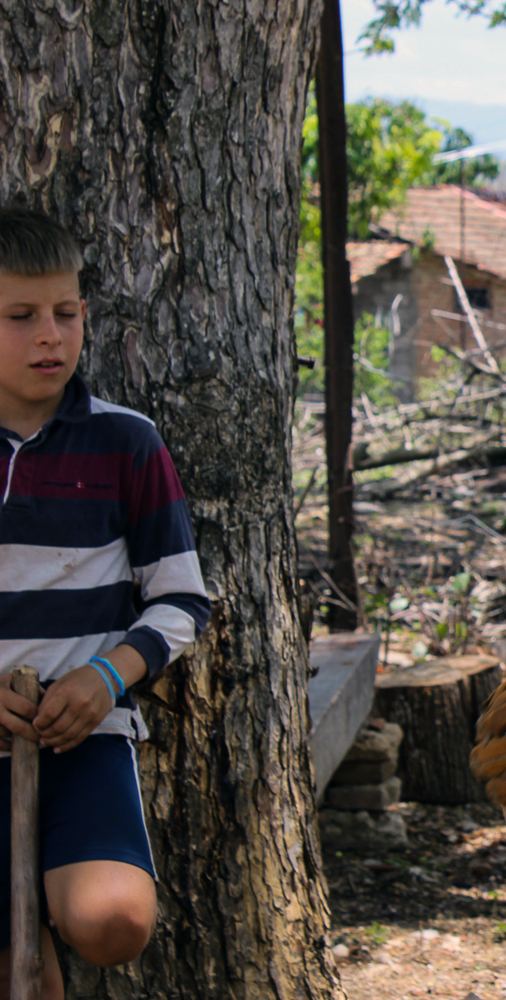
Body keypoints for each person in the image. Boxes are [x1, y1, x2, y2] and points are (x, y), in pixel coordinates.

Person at [0, 209, 210, 999]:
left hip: (83, 736)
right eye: (20, 317)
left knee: (113, 923)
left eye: (65, 313)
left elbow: (181, 597)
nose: (49, 335)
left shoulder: (126, 443)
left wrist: (104, 677)